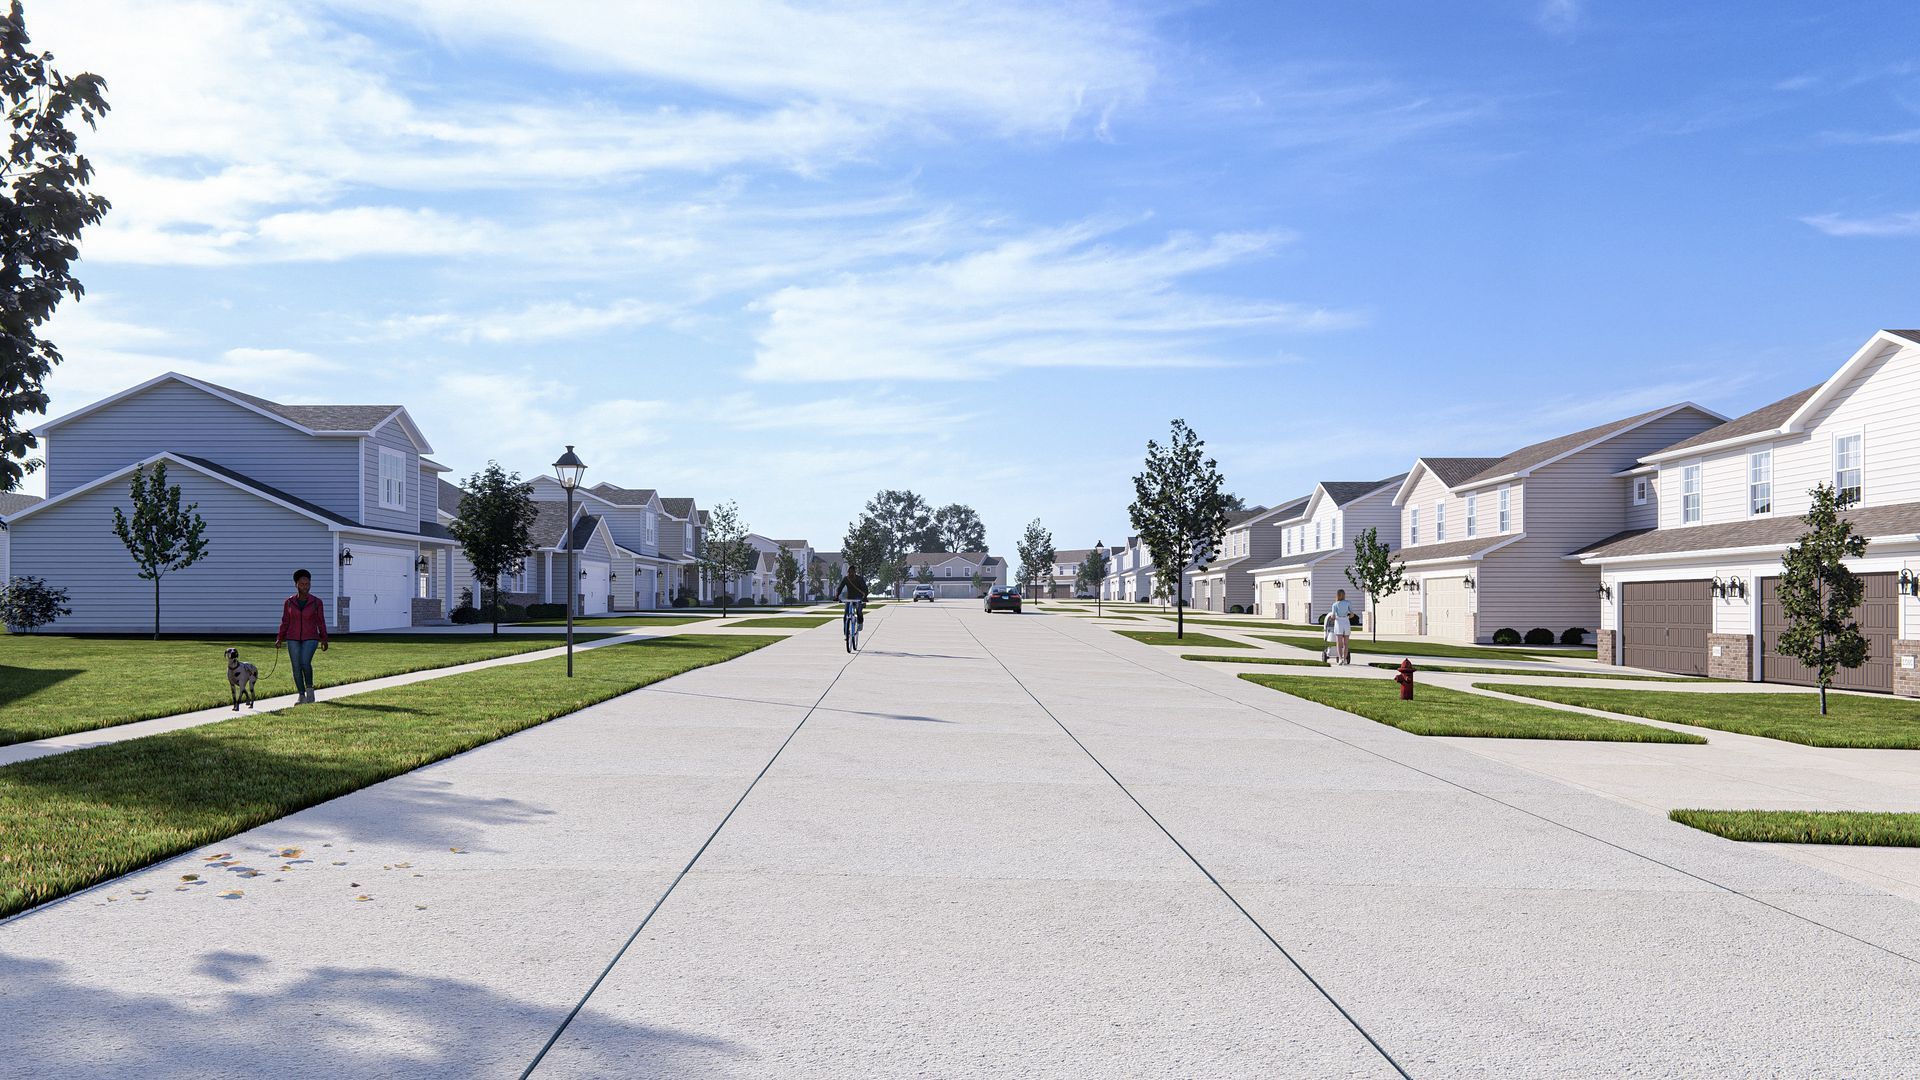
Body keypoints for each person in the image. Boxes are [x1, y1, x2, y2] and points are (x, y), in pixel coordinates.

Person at [276, 569, 329, 703]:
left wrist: (324, 638)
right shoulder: (289, 602)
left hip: (311, 637)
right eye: (302, 584)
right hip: (292, 638)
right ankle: (301, 695)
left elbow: (320, 621)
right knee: (296, 666)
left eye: (307, 584)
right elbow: (285, 621)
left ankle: (310, 692)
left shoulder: (317, 602)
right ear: (296, 585)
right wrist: (280, 638)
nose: (305, 586)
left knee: (305, 662)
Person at [834, 564, 870, 630]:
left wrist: (864, 597)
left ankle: (860, 622)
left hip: (858, 598)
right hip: (849, 598)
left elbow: (865, 589)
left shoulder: (859, 579)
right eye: (849, 572)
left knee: (859, 611)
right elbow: (840, 588)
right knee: (845, 615)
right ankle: (846, 630)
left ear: (854, 572)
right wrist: (837, 596)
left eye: (852, 572)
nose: (850, 574)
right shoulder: (846, 579)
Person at [1329, 588, 1355, 666]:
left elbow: (1333, 616)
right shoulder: (1348, 603)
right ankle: (1344, 659)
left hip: (1338, 622)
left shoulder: (1334, 604)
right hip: (1346, 622)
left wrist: (1332, 617)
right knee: (1346, 643)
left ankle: (1340, 659)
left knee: (1339, 643)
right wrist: (1347, 617)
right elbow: (1352, 614)